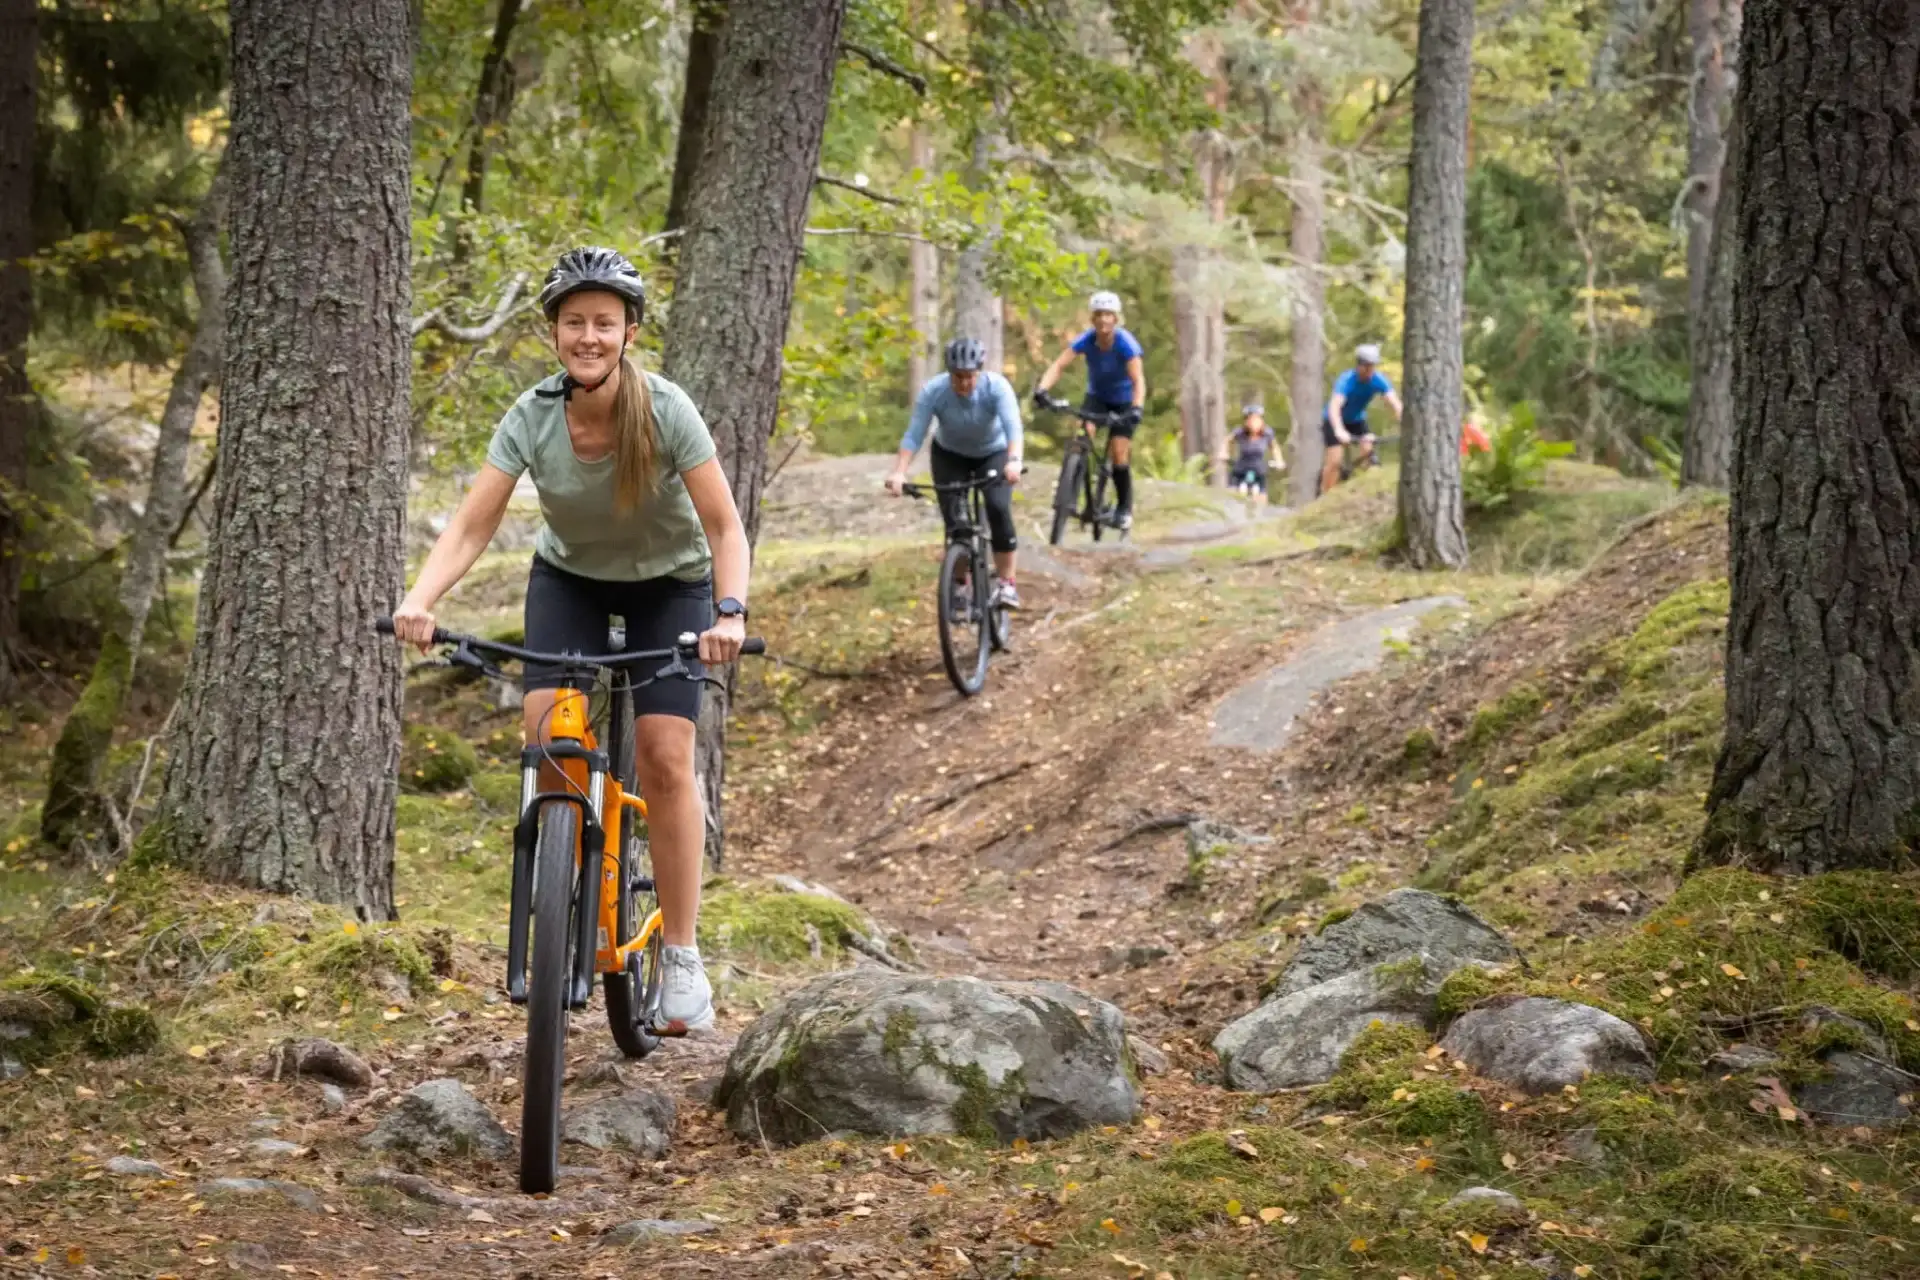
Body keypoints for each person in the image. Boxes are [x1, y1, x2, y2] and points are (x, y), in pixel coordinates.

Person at [389, 246, 751, 1034]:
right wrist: (418, 598)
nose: (589, 336)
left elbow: (725, 525)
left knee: (662, 752)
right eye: (575, 322)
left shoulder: (666, 410)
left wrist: (730, 612)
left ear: (627, 334)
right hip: (572, 582)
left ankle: (683, 955)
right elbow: (473, 524)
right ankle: (567, 879)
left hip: (672, 587)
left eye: (605, 323)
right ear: (554, 331)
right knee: (548, 732)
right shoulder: (531, 416)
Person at [886, 337, 1025, 611]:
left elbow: (1013, 427)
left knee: (997, 507)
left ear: (979, 372)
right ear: (949, 373)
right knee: (957, 523)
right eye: (957, 377)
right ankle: (960, 583)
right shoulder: (934, 392)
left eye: (969, 377)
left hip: (992, 453)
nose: (963, 383)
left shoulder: (996, 388)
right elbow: (915, 434)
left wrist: (1015, 460)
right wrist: (899, 472)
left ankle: (1007, 584)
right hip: (950, 455)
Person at [1033, 290, 1146, 530]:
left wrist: (1136, 407)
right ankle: (1068, 497)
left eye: (1108, 315)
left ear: (1116, 318)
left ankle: (1124, 509)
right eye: (1099, 315)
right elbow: (1060, 364)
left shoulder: (1126, 344)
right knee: (1081, 438)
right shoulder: (1086, 340)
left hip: (1125, 401)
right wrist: (1042, 389)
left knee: (1118, 452)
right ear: (1092, 318)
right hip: (1097, 397)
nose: (1103, 319)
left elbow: (1138, 380)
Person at [1320, 342, 1404, 495]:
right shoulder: (1346, 380)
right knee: (1335, 460)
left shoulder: (1378, 380)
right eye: (1367, 366)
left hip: (1356, 420)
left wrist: (1407, 425)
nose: (1370, 371)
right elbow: (1334, 407)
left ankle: (1363, 490)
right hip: (1333, 420)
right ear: (1359, 365)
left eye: (1373, 366)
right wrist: (1339, 430)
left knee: (1368, 452)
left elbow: (1395, 404)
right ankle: (1325, 495)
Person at [1222, 402, 1284, 503]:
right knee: (1232, 493)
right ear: (1246, 421)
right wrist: (1224, 453)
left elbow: (1275, 448)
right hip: (1240, 468)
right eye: (1251, 419)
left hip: (1258, 469)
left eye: (1257, 419)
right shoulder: (1239, 432)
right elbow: (1227, 440)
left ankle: (1261, 514)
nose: (1254, 423)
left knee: (1261, 496)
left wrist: (1279, 461)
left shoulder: (1267, 434)